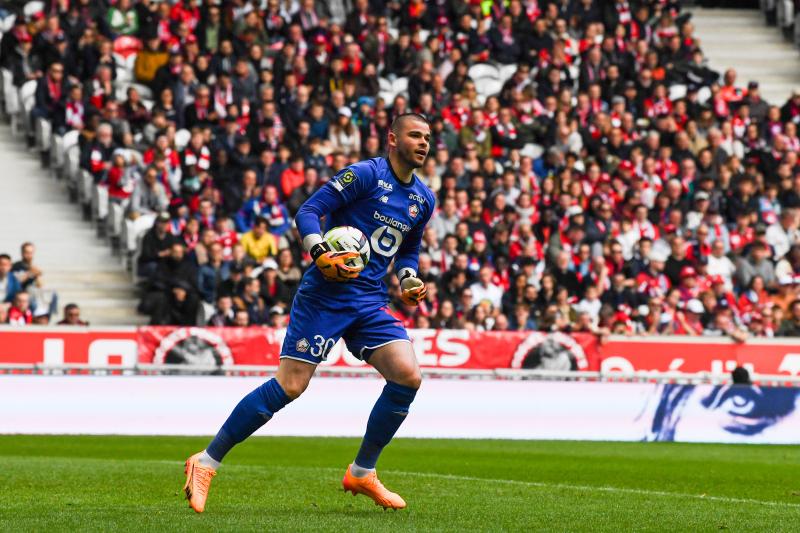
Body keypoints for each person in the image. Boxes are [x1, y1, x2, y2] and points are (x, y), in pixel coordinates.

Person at [183, 113, 435, 513]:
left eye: (427, 137)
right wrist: (319, 251)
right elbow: (308, 211)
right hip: (325, 294)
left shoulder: (424, 198)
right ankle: (206, 461)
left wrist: (407, 280)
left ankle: (362, 471)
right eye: (415, 135)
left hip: (369, 300)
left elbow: (407, 250)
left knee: (408, 376)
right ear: (392, 138)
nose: (423, 142)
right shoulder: (365, 175)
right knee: (290, 386)